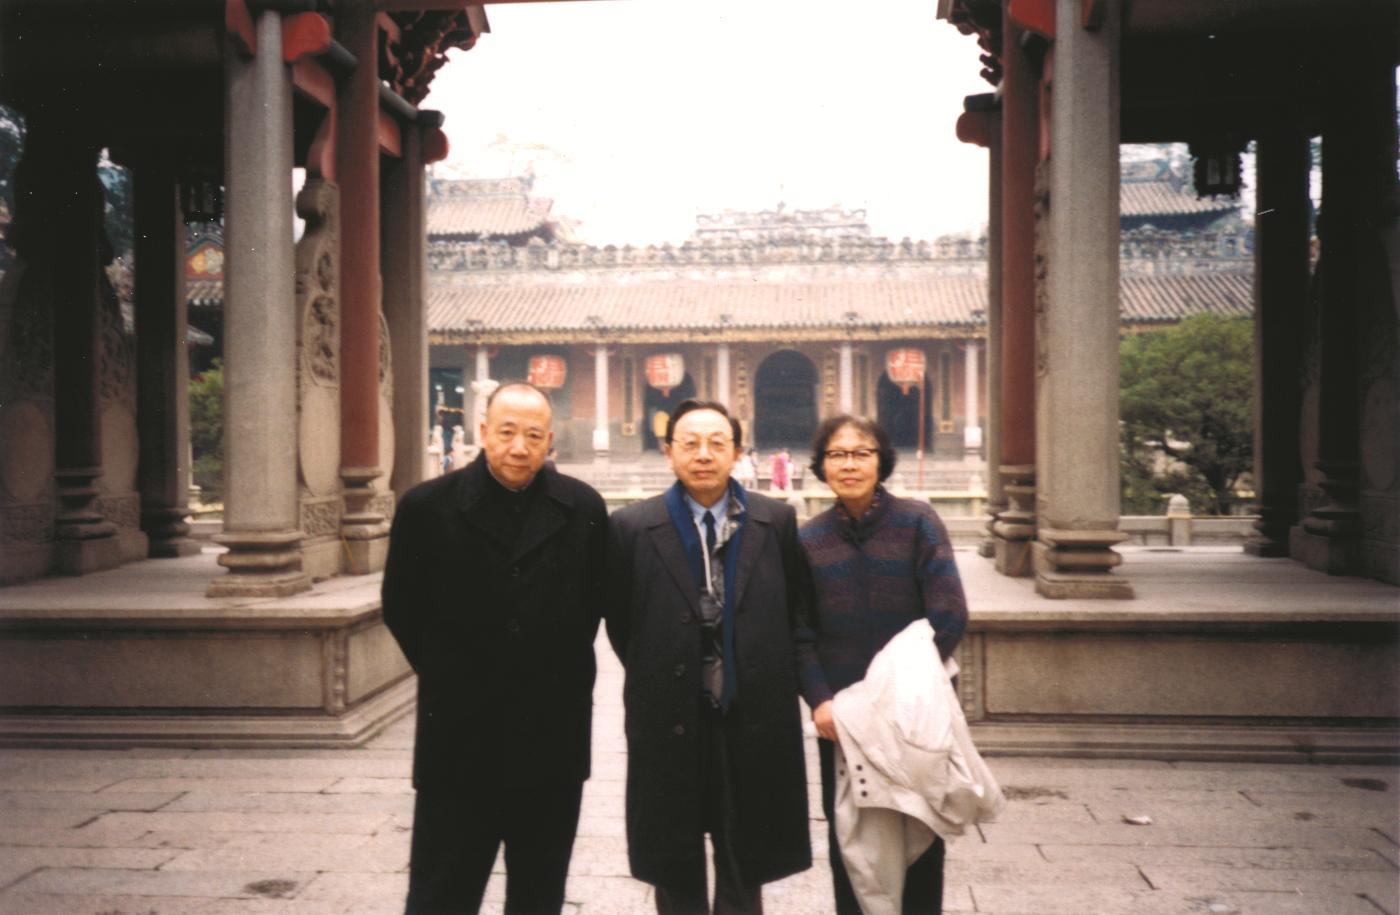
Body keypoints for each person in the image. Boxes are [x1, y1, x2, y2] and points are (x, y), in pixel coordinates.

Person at [382, 382, 608, 915]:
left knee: (538, 894)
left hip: (551, 738)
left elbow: (594, 605)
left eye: (533, 435)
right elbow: (402, 608)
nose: (519, 447)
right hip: (458, 737)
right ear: (482, 432)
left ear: (550, 440)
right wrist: (453, 673)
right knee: (441, 893)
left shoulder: (583, 508)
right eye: (506, 432)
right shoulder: (426, 508)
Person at [606, 399, 813, 915]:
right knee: (673, 855)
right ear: (668, 452)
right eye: (690, 443)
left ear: (737, 452)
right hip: (670, 712)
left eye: (717, 443)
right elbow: (623, 622)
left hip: (750, 712)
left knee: (745, 850)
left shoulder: (775, 521)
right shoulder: (633, 526)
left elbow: (794, 610)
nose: (703, 454)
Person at [797, 414, 969, 915]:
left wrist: (898, 691)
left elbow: (949, 614)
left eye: (861, 453)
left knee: (920, 829)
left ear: (881, 461)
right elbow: (799, 632)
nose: (849, 464)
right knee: (850, 837)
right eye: (837, 455)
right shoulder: (809, 539)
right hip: (843, 719)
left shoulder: (917, 523)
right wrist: (820, 700)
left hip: (914, 712)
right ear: (822, 466)